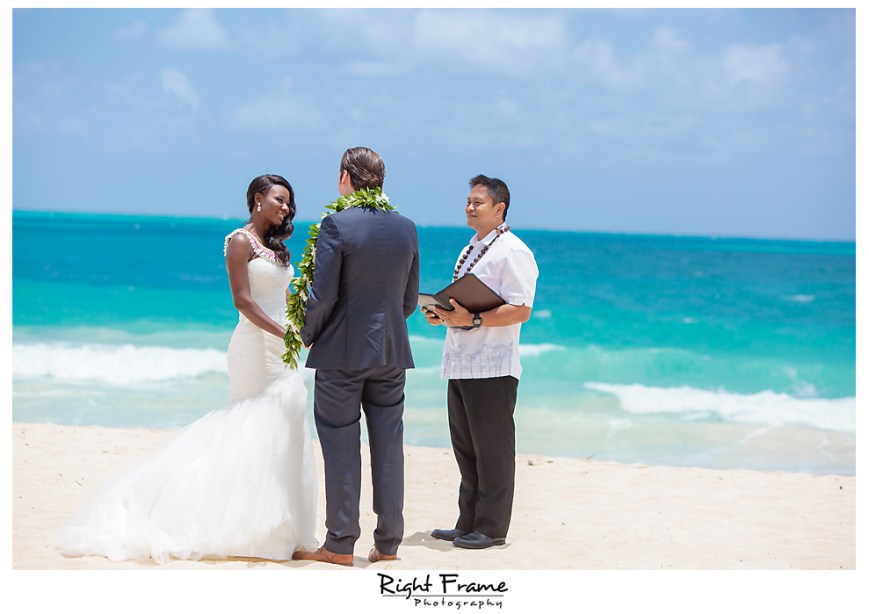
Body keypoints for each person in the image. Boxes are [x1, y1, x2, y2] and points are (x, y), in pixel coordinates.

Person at [54, 174, 318, 564]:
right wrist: (285, 334)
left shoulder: (279, 251)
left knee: (282, 427)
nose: (286, 207)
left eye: (289, 202)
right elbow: (243, 302)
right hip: (254, 346)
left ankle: (272, 525)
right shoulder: (240, 242)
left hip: (283, 347)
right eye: (279, 199)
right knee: (248, 426)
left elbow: (283, 298)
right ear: (257, 198)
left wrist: (302, 328)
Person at [293, 147, 419, 566]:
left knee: (340, 443)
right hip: (392, 353)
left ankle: (340, 543)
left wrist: (308, 333)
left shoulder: (336, 225)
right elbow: (408, 301)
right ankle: (388, 545)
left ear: (346, 177)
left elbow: (322, 293)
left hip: (342, 355)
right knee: (389, 445)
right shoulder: (407, 228)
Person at [424, 174, 538, 550]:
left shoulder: (513, 251)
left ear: (499, 208)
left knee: (493, 450)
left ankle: (491, 529)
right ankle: (468, 521)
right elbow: (466, 302)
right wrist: (443, 315)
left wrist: (471, 319)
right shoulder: (472, 247)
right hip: (461, 362)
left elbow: (521, 310)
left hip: (493, 366)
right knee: (467, 449)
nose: (469, 208)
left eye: (478, 202)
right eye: (468, 201)